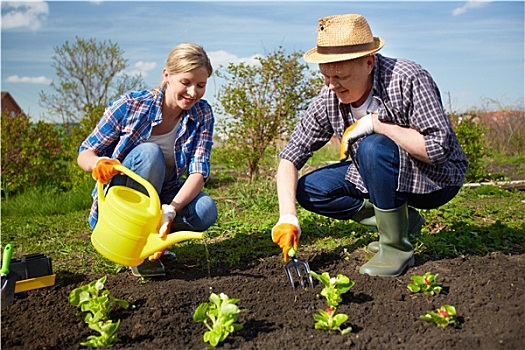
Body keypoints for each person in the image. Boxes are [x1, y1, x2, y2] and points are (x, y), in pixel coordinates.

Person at [271, 14, 468, 277]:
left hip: (435, 180)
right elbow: (290, 158)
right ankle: (400, 223)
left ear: (369, 62)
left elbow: (438, 150)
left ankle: (395, 248)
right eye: (325, 76)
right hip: (377, 171)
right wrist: (287, 217)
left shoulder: (407, 78)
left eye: (340, 75)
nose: (331, 85)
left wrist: (379, 124)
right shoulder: (329, 96)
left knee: (372, 147)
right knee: (310, 189)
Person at [78, 43, 218, 278]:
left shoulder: (202, 113)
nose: (193, 92)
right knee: (150, 154)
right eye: (186, 82)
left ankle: (153, 240)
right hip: (122, 202)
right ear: (167, 76)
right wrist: (98, 163)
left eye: (200, 85)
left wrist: (171, 210)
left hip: (162, 197)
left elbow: (198, 172)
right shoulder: (131, 105)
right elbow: (85, 152)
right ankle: (134, 247)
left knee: (205, 210)